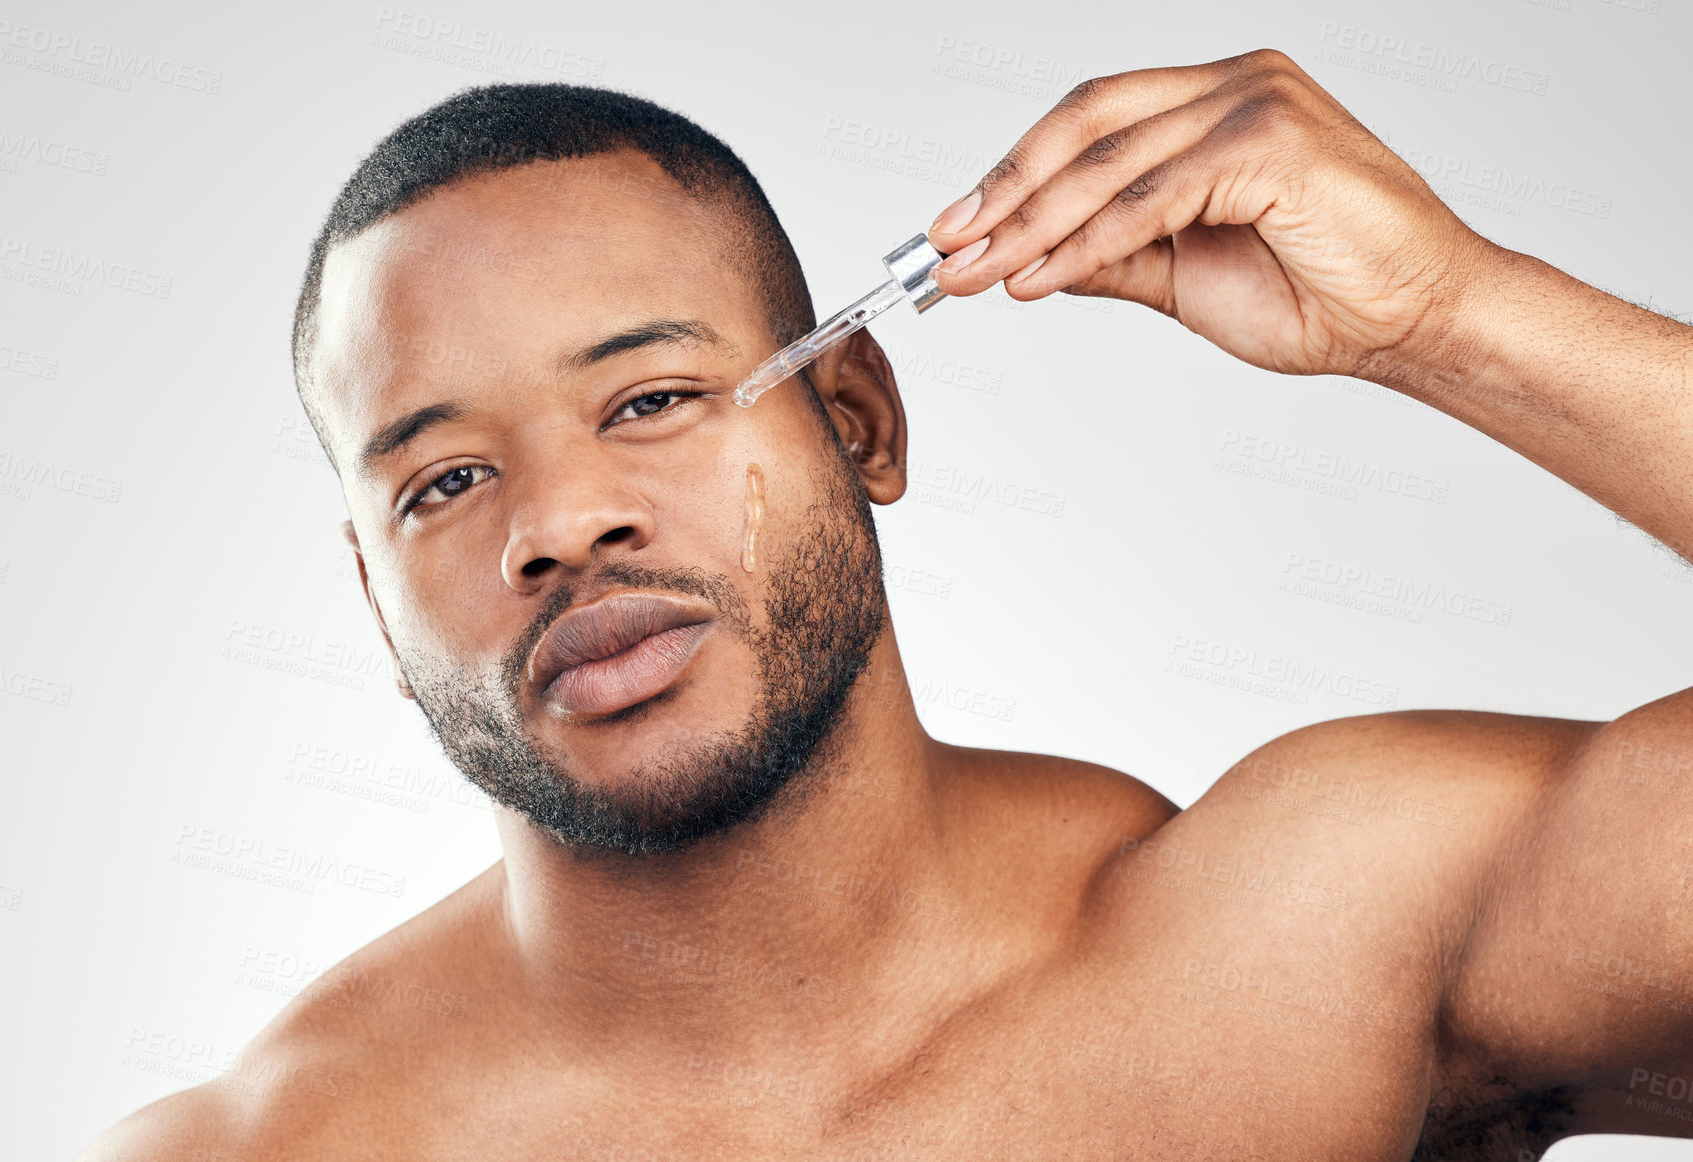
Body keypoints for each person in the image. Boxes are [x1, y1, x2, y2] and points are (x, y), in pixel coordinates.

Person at [84, 49, 1693, 1160]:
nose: (563, 522)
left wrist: (1446, 312)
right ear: (376, 606)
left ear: (858, 417)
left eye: (648, 399)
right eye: (443, 483)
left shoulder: (1306, 947)